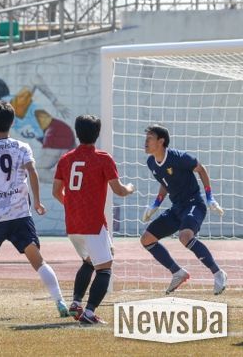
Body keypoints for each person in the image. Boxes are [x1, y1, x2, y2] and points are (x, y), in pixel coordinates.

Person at [0, 101, 67, 320]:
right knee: (38, 261)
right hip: (20, 215)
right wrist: (37, 202)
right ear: (12, 121)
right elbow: (32, 172)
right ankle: (60, 301)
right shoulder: (22, 146)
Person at [52, 115, 135, 325]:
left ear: (77, 132)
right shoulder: (103, 158)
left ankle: (76, 303)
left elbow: (56, 192)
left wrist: (72, 207)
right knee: (105, 268)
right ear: (98, 133)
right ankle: (89, 313)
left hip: (73, 225)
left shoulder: (65, 159)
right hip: (92, 224)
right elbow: (119, 190)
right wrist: (130, 188)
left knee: (89, 261)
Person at [139, 124, 227, 295]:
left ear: (161, 141)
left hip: (194, 204)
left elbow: (201, 169)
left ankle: (218, 273)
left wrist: (210, 197)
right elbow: (165, 182)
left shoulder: (179, 157)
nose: (145, 142)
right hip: (176, 208)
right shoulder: (151, 162)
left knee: (185, 236)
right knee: (146, 239)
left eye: (149, 138)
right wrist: (155, 204)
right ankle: (177, 272)